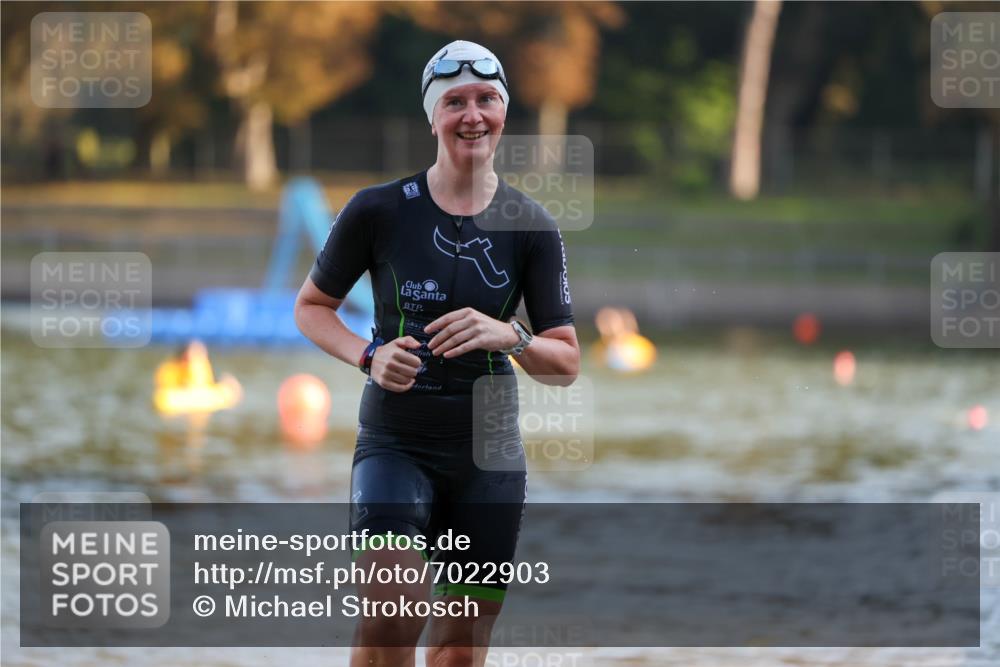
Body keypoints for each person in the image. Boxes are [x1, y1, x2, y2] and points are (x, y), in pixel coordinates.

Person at [294, 39, 579, 667]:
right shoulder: (379, 210)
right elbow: (311, 307)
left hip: (489, 457)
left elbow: (566, 364)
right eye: (455, 102)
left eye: (486, 100)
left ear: (504, 112)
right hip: (398, 442)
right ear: (432, 117)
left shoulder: (530, 225)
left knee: (458, 649)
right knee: (395, 612)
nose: (472, 115)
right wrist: (368, 355)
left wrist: (514, 336)